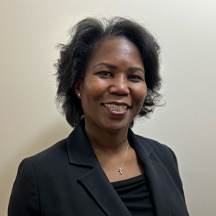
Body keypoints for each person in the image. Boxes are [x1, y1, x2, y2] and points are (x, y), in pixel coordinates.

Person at [8, 17, 189, 216]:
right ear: (78, 86)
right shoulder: (38, 175)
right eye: (105, 73)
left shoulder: (165, 157)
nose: (121, 87)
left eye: (134, 77)